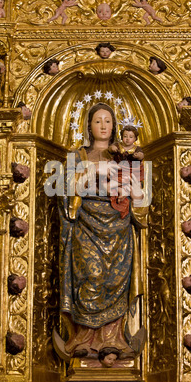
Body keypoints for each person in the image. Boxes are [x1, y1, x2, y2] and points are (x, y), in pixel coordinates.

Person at [58, 102, 148, 361]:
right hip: (86, 224)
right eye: (98, 121)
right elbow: (65, 191)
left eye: (107, 121)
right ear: (89, 126)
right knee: (91, 276)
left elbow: (141, 200)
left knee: (115, 280)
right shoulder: (78, 156)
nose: (103, 126)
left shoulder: (124, 157)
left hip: (118, 228)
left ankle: (113, 340)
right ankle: (83, 338)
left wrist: (136, 194)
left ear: (115, 126)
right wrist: (95, 171)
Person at [108, 125, 144, 218]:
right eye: (125, 136)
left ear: (135, 138)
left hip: (132, 172)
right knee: (107, 188)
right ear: (122, 137)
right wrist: (112, 148)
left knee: (137, 195)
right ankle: (122, 190)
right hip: (119, 172)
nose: (128, 139)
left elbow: (141, 155)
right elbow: (110, 148)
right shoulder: (118, 146)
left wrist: (138, 155)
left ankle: (127, 191)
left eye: (131, 137)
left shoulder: (136, 148)